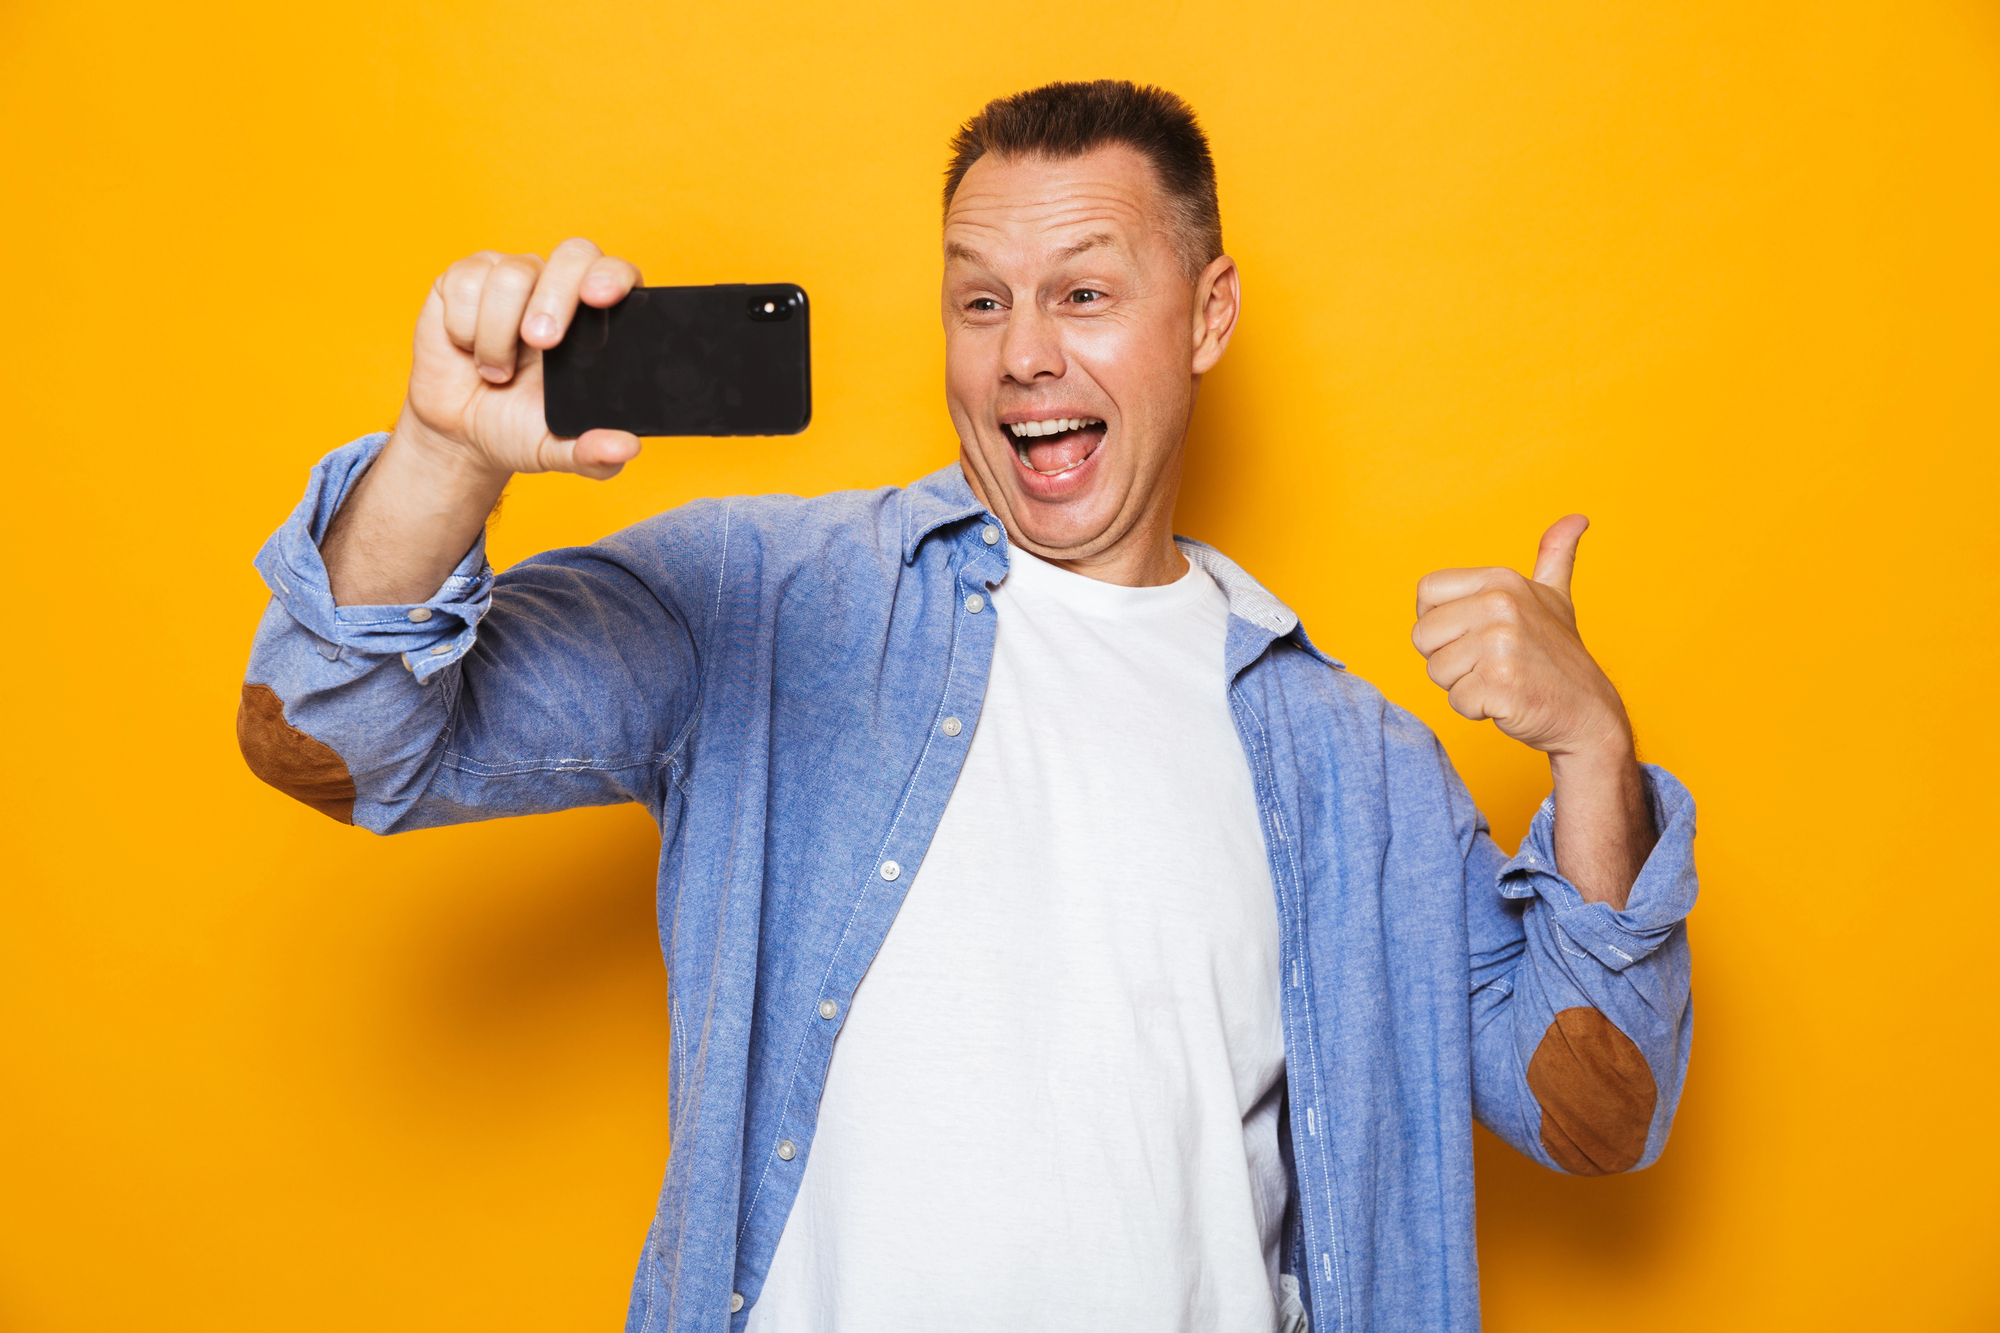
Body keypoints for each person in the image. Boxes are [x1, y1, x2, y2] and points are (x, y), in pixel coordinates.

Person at [237, 81, 1695, 1333]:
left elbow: (1594, 1112)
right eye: (980, 299)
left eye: (1083, 293)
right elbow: (334, 739)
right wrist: (440, 455)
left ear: (1208, 313)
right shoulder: (774, 600)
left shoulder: (1353, 762)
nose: (1021, 356)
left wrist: (1592, 748)